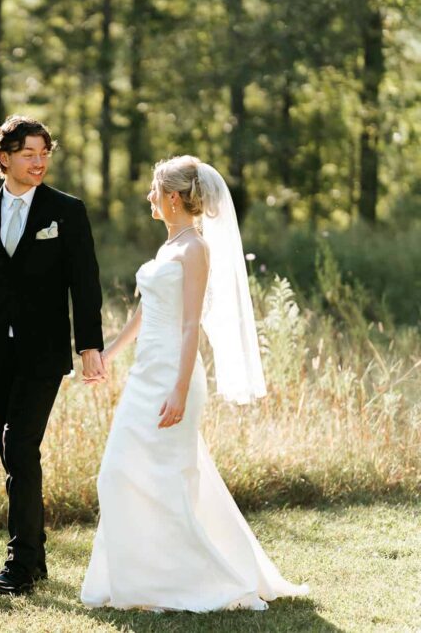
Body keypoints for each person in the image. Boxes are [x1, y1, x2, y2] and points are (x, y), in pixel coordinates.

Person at [79, 155, 309, 611]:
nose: (149, 198)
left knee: (162, 478)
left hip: (173, 375)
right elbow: (144, 315)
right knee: (123, 474)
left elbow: (190, 326)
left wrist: (180, 389)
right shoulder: (168, 248)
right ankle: (145, 578)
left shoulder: (195, 250)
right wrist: (107, 355)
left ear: (172, 197)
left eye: (154, 191)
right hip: (145, 374)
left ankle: (184, 582)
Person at [0, 115, 105, 595]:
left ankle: (21, 564)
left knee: (19, 445)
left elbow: (85, 283)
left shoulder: (66, 210)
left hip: (45, 352)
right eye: (29, 153)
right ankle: (36, 556)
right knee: (14, 458)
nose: (39, 161)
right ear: (3, 157)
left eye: (44, 152)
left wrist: (90, 346)